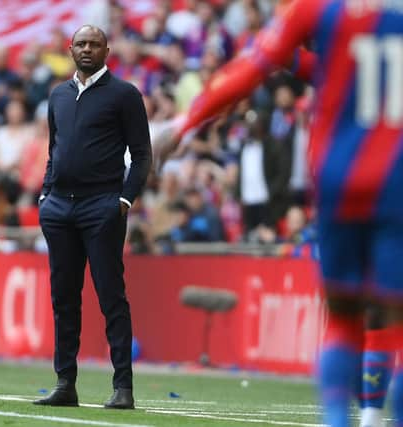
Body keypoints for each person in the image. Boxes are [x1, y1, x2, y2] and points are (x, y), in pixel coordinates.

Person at [156, 1, 403, 426]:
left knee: (344, 318)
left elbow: (255, 65)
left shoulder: (319, 14)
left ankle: (343, 420)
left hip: (338, 180)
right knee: (392, 313)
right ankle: (375, 417)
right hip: (396, 183)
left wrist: (184, 123)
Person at [34, 25, 152, 410]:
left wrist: (124, 200)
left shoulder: (124, 95)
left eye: (94, 44)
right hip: (59, 209)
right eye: (81, 44)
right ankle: (65, 383)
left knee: (110, 296)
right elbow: (55, 150)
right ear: (70, 49)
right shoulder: (58, 96)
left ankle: (123, 388)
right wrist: (45, 194)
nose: (87, 49)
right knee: (63, 298)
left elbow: (142, 154)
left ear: (107, 49)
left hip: (102, 206)